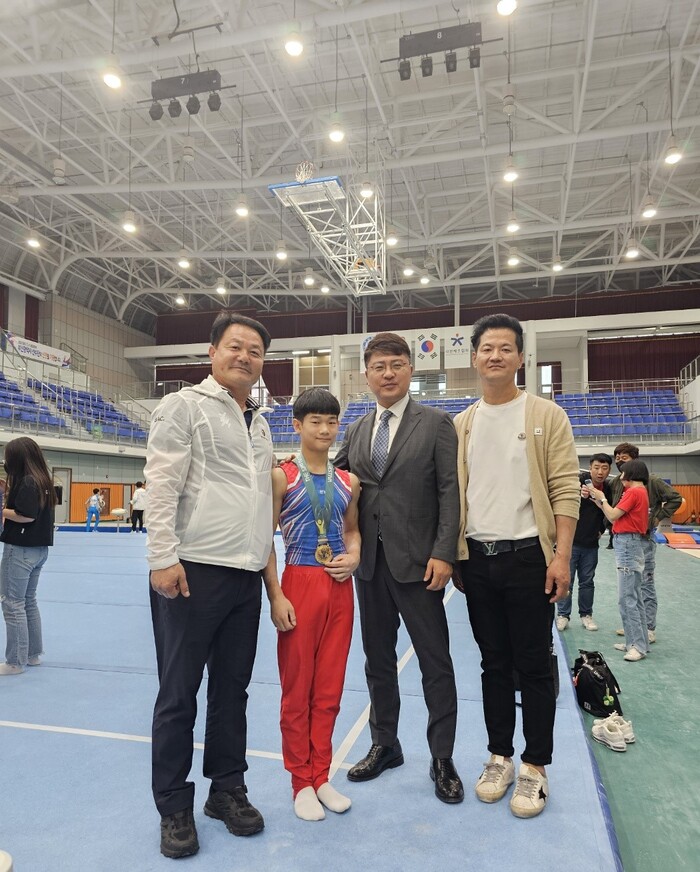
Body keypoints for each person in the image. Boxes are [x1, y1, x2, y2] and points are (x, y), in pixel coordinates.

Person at [145, 312, 274, 859]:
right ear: (213, 351)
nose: (244, 357)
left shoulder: (260, 423)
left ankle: (226, 788)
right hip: (192, 571)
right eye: (235, 347)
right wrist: (162, 557)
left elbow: (260, 503)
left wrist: (265, 571)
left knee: (231, 690)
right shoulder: (184, 406)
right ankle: (174, 805)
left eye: (255, 351)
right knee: (179, 693)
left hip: (245, 575)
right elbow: (162, 483)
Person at [454, 313, 579, 819]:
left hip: (530, 558)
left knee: (533, 665)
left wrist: (561, 556)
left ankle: (535, 767)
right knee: (493, 664)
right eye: (487, 348)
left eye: (506, 348)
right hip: (478, 561)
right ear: (474, 357)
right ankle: (499, 757)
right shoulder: (462, 423)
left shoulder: (546, 415)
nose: (495, 356)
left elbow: (565, 488)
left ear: (521, 358)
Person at [334, 332, 464, 804]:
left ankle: (442, 756)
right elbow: (337, 479)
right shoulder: (356, 429)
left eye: (395, 364)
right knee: (378, 660)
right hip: (369, 565)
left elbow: (450, 491)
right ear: (366, 375)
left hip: (420, 563)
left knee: (435, 663)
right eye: (378, 366)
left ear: (410, 369)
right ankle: (385, 744)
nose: (387, 373)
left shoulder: (437, 424)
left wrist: (444, 552)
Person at [262, 388, 361, 822]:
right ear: (297, 426)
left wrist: (354, 557)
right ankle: (299, 781)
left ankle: (321, 775)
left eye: (331, 422)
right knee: (297, 689)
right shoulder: (281, 477)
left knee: (329, 688)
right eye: (315, 421)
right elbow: (264, 539)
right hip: (299, 580)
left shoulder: (348, 482)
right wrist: (276, 594)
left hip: (339, 585)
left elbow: (352, 531)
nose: (324, 429)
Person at [610, 442, 682, 643]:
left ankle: (648, 627)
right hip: (625, 539)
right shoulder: (617, 482)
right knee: (630, 587)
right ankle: (635, 626)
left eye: (624, 458)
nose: (619, 462)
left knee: (646, 584)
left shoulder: (652, 481)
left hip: (644, 539)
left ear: (635, 461)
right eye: (617, 458)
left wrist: (658, 517)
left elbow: (675, 498)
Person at [0, 436, 56, 675]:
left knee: (12, 603)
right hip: (39, 550)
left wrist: (2, 511)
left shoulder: (28, 482)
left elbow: (26, 515)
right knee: (28, 601)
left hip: (21, 549)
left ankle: (15, 661)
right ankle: (32, 654)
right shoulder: (43, 480)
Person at [589, 460, 651, 661]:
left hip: (627, 544)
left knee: (626, 598)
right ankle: (638, 642)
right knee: (635, 597)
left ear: (630, 474)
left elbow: (614, 515)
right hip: (631, 542)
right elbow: (614, 516)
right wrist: (599, 501)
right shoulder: (641, 492)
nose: (620, 476)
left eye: (622, 473)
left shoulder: (633, 492)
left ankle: (637, 646)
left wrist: (603, 499)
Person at [556, 453, 613, 633]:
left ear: (609, 470)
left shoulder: (608, 489)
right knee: (566, 580)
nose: (600, 472)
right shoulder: (578, 483)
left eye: (604, 468)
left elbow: (610, 512)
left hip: (591, 545)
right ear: (590, 468)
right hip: (570, 543)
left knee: (587, 582)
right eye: (596, 467)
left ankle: (586, 615)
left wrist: (601, 529)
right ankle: (563, 615)